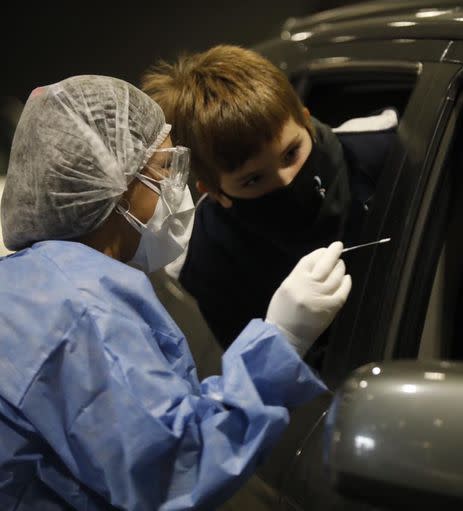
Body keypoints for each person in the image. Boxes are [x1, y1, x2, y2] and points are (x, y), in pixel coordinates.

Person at [0, 75, 351, 510]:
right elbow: (178, 469)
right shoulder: (81, 307)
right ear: (115, 185)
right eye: (165, 169)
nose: (176, 188)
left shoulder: (34, 283)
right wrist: (282, 340)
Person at [141, 45, 398, 349]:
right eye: (253, 179)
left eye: (291, 154)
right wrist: (287, 341)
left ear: (305, 120)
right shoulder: (209, 258)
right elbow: (259, 377)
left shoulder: (385, 154)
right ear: (215, 193)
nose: (287, 181)